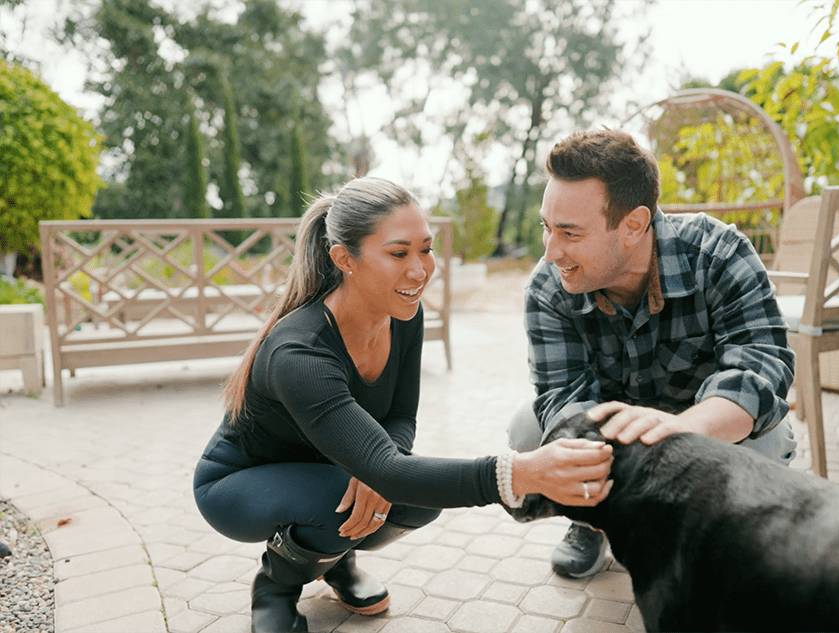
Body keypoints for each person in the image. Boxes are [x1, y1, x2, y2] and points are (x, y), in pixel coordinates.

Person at [193, 177, 614, 633]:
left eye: (426, 249)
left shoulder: (403, 315)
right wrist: (524, 472)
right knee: (359, 493)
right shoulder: (299, 353)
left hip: (332, 464)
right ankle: (275, 586)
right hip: (238, 484)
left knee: (415, 502)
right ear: (343, 259)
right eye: (399, 253)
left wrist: (379, 466)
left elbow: (400, 417)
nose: (420, 270)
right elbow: (387, 466)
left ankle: (335, 562)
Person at [508, 128, 797, 579]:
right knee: (528, 429)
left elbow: (761, 366)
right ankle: (593, 523)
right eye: (548, 228)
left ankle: (708, 527)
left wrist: (683, 431)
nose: (551, 252)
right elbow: (563, 400)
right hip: (613, 433)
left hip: (699, 423)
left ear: (634, 225)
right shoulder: (549, 287)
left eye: (569, 233)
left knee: (768, 441)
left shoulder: (718, 253)